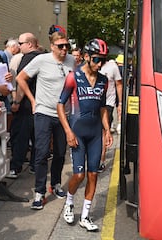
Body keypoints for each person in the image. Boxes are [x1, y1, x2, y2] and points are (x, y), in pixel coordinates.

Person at [57, 38, 113, 231]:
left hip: (95, 133)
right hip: (77, 132)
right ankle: (69, 202)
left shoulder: (104, 80)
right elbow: (60, 105)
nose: (100, 64)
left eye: (103, 60)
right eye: (97, 59)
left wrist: (107, 130)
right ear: (87, 57)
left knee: (93, 175)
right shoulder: (73, 76)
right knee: (79, 175)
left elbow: (103, 108)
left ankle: (86, 216)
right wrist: (68, 131)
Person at [16, 31, 75, 210]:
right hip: (43, 112)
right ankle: (40, 192)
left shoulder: (72, 61)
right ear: (52, 46)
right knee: (41, 153)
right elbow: (21, 78)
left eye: (67, 46)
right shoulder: (41, 60)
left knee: (59, 152)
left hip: (64, 115)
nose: (64, 49)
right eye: (60, 46)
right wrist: (33, 100)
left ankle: (55, 184)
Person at [7, 33, 41, 179]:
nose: (19, 46)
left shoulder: (27, 58)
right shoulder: (43, 57)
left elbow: (22, 82)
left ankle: (15, 167)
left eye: (20, 43)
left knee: (20, 136)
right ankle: (35, 165)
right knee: (37, 138)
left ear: (29, 44)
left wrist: (17, 102)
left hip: (27, 105)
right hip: (40, 104)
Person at [98, 58, 122, 172]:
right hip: (93, 102)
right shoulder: (88, 66)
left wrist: (120, 103)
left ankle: (101, 161)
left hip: (108, 103)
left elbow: (119, 84)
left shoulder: (112, 67)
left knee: (103, 131)